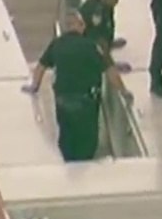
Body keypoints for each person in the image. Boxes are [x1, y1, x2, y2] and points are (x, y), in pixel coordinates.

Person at [23, 11, 131, 162]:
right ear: (80, 26)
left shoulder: (57, 44)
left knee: (67, 139)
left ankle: (69, 166)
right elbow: (110, 71)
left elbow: (41, 67)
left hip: (63, 100)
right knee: (87, 142)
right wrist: (124, 91)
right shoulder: (92, 46)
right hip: (86, 101)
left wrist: (34, 87)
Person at [78, 0, 133, 75]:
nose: (115, 1)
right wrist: (111, 65)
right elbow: (99, 39)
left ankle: (110, 44)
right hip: (85, 43)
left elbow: (108, 26)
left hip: (95, 36)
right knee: (101, 42)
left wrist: (110, 42)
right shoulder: (97, 10)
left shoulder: (106, 4)